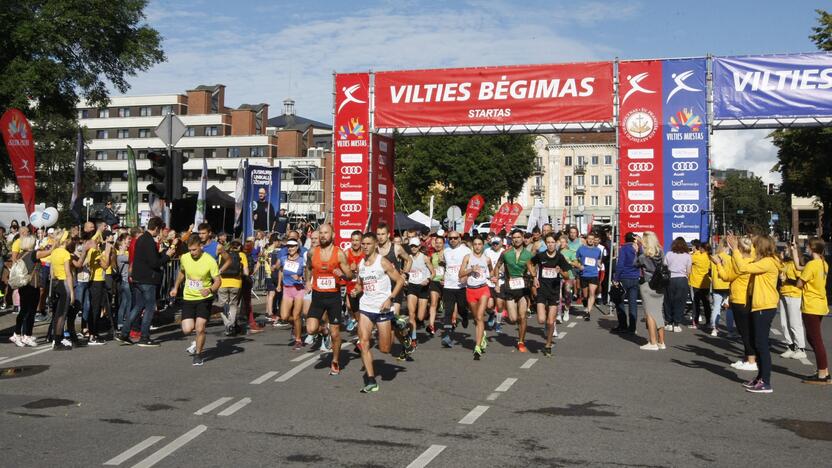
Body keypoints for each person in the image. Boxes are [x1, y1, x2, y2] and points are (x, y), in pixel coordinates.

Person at [352, 232, 406, 393]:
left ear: (375, 245)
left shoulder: (382, 262)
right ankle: (371, 380)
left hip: (382, 308)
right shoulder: (361, 264)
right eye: (363, 244)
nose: (365, 247)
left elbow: (400, 281)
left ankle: (396, 323)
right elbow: (360, 284)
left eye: (368, 244)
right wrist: (356, 290)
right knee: (364, 343)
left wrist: (390, 298)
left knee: (385, 349)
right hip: (366, 307)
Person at [730, 234, 781, 393]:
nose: (753, 247)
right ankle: (760, 378)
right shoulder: (765, 261)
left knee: (761, 344)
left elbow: (742, 268)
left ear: (761, 247)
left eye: (755, 245)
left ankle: (766, 382)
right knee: (757, 342)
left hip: (764, 306)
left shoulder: (767, 262)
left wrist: (736, 250)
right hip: (760, 305)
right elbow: (747, 263)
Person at [117, 217, 175, 347]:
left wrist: (164, 254)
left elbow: (149, 258)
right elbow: (154, 262)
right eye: (160, 230)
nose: (160, 233)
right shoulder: (148, 240)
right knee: (149, 307)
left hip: (138, 277)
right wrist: (167, 256)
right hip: (147, 279)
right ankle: (144, 336)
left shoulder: (140, 239)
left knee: (138, 306)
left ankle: (125, 332)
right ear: (157, 228)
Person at [304, 224, 353, 375]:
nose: (323, 235)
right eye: (321, 233)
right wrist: (307, 281)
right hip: (318, 296)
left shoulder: (339, 254)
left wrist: (342, 275)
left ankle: (335, 361)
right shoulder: (313, 252)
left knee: (336, 334)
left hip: (333, 298)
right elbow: (308, 267)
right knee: (311, 329)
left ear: (333, 235)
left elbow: (350, 276)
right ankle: (323, 331)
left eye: (326, 233)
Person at [170, 236, 221, 366]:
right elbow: (182, 272)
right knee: (187, 329)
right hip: (188, 297)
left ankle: (198, 355)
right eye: (190, 250)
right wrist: (175, 287)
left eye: (194, 250)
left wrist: (209, 290)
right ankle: (198, 339)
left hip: (204, 299)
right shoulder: (185, 258)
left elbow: (218, 281)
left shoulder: (210, 261)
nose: (192, 253)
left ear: (201, 247)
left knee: (200, 328)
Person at [714, 236, 757, 371]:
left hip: (739, 299)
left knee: (744, 331)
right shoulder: (752, 260)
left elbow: (727, 276)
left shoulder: (740, 263)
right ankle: (748, 358)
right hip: (747, 298)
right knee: (747, 330)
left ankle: (751, 360)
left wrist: (718, 264)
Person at [794, 238, 830, 384]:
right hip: (820, 304)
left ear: (811, 248)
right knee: (813, 337)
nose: (806, 248)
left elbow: (799, 284)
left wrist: (792, 279)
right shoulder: (823, 264)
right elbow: (798, 267)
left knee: (816, 339)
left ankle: (822, 373)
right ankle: (824, 370)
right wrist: (793, 251)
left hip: (811, 305)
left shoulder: (811, 264)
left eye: (807, 246)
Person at [531, 233, 573, 356]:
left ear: (556, 244)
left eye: (552, 242)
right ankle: (546, 325)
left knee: (550, 322)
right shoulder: (541, 256)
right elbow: (529, 263)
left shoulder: (560, 257)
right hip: (542, 290)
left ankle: (548, 345)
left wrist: (561, 272)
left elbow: (567, 276)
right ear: (546, 243)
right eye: (548, 242)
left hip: (554, 291)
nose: (550, 244)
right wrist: (534, 277)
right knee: (541, 320)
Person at [494, 229, 534, 351]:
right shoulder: (506, 253)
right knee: (512, 319)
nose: (516, 239)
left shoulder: (528, 255)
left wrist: (533, 277)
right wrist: (496, 281)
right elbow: (497, 267)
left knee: (522, 317)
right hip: (510, 289)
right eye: (514, 237)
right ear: (512, 239)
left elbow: (533, 270)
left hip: (523, 290)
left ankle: (521, 341)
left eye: (518, 237)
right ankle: (511, 318)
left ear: (523, 238)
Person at [460, 236, 493, 359]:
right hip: (470, 291)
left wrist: (493, 278)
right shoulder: (468, 258)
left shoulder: (487, 259)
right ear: (472, 245)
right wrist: (470, 270)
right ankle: (482, 334)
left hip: (483, 289)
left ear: (483, 245)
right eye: (475, 244)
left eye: (480, 244)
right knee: (476, 318)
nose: (478, 246)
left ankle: (477, 347)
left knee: (480, 317)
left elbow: (492, 271)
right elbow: (460, 274)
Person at [439, 230, 471, 349]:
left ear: (459, 238)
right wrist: (442, 277)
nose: (452, 240)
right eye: (450, 238)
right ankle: (447, 336)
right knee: (448, 311)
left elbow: (471, 265)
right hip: (448, 285)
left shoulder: (466, 251)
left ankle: (465, 316)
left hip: (461, 286)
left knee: (462, 308)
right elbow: (443, 266)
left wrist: (466, 276)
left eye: (455, 238)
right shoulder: (446, 252)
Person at [636, 232, 667, 350]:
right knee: (658, 312)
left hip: (648, 284)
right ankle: (661, 342)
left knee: (649, 313)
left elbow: (635, 264)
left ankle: (653, 342)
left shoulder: (643, 255)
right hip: (660, 285)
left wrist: (638, 250)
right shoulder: (661, 252)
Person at [9, 236, 41, 347]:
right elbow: (48, 253)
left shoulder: (21, 254)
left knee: (24, 311)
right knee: (30, 312)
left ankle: (19, 334)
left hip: (25, 285)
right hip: (31, 285)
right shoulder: (33, 254)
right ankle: (24, 335)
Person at [85, 230, 115, 345]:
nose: (99, 242)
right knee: (95, 309)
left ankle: (94, 333)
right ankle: (92, 335)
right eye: (97, 241)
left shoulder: (95, 250)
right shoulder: (94, 251)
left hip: (98, 281)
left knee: (97, 308)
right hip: (96, 282)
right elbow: (105, 265)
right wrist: (107, 252)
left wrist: (99, 230)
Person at [778, 244, 806, 358]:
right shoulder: (784, 263)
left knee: (795, 322)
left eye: (785, 248)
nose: (784, 250)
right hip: (783, 294)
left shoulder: (796, 263)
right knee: (784, 322)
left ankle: (801, 348)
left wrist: (787, 279)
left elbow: (800, 282)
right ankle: (790, 346)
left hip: (794, 295)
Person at [405, 237, 434, 348]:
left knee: (420, 317)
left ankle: (423, 316)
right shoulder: (408, 258)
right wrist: (405, 280)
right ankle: (413, 338)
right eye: (411, 246)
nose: (413, 248)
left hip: (423, 287)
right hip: (412, 286)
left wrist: (428, 280)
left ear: (419, 247)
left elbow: (433, 272)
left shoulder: (425, 258)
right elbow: (406, 271)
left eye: (415, 246)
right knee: (411, 313)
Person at [277, 239, 306, 350]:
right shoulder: (284, 259)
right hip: (287, 289)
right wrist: (279, 284)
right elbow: (280, 270)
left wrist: (299, 278)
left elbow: (307, 276)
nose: (290, 248)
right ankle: (297, 324)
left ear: (297, 247)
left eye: (293, 246)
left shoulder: (302, 260)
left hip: (299, 289)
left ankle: (298, 340)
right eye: (288, 246)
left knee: (296, 315)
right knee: (284, 316)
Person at [376, 223, 411, 315]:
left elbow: (409, 260)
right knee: (381, 319)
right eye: (378, 234)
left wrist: (404, 275)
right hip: (380, 288)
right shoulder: (374, 249)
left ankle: (399, 328)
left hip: (395, 287)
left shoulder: (396, 248)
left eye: (383, 234)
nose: (380, 237)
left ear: (388, 235)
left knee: (394, 318)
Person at [217, 240, 249, 336]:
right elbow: (246, 272)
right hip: (236, 283)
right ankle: (231, 325)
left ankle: (227, 324)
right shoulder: (242, 255)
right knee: (233, 305)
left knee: (222, 306)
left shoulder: (221, 255)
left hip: (222, 283)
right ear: (239, 247)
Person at [49, 232, 75, 350]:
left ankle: (56, 339)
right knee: (62, 315)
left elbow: (52, 272)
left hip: (56, 283)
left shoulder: (54, 252)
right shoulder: (65, 253)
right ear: (65, 241)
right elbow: (68, 274)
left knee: (57, 314)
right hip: (64, 283)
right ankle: (58, 341)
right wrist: (72, 292)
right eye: (68, 238)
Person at [613, 232, 641, 334]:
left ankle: (623, 324)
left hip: (624, 277)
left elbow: (620, 264)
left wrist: (616, 278)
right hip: (635, 277)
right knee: (633, 303)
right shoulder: (638, 248)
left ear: (625, 239)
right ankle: (633, 327)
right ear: (634, 239)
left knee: (619, 301)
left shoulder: (624, 249)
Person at [663, 237, 692, 332]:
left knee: (668, 301)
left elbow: (664, 267)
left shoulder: (669, 254)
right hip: (682, 280)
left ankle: (669, 322)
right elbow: (689, 271)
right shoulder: (687, 256)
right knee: (680, 302)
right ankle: (676, 324)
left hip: (670, 279)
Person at [576, 232, 603, 322]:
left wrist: (599, 265)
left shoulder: (598, 250)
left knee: (592, 293)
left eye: (592, 239)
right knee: (585, 295)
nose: (591, 240)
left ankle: (588, 312)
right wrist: (579, 265)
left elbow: (599, 261)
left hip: (593, 274)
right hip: (584, 274)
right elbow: (576, 259)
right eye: (589, 238)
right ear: (587, 239)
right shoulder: (581, 249)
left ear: (594, 240)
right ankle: (585, 301)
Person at [709, 240, 733, 337]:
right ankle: (730, 331)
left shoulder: (713, 258)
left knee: (716, 307)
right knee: (729, 308)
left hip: (716, 286)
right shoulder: (730, 258)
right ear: (727, 247)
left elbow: (710, 272)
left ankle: (714, 328)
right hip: (727, 285)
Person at [343, 231, 365, 333]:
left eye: (357, 240)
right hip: (350, 285)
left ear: (361, 241)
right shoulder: (346, 253)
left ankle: (362, 331)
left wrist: (360, 269)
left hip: (363, 285)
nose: (355, 243)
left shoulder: (365, 253)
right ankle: (354, 320)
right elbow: (341, 268)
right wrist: (349, 269)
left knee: (362, 309)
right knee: (350, 307)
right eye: (353, 240)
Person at [689, 240, 712, 328]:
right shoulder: (710, 257)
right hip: (706, 283)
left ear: (701, 248)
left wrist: (695, 252)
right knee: (706, 303)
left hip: (696, 283)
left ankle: (695, 322)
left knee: (696, 303)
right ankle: (708, 322)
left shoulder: (697, 256)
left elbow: (689, 259)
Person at [485, 236, 505, 333]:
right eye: (494, 243)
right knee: (488, 306)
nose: (495, 245)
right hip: (489, 282)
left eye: (497, 243)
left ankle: (498, 323)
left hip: (501, 282)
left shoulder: (504, 252)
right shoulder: (487, 251)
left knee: (500, 304)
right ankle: (492, 314)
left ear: (501, 243)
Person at [427, 235, 445, 335]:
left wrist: (444, 263)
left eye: (440, 243)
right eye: (436, 242)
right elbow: (430, 268)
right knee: (433, 303)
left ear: (443, 244)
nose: (438, 244)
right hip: (435, 281)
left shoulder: (447, 254)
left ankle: (451, 322)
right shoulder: (432, 255)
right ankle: (431, 325)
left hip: (446, 282)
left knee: (449, 305)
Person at [557, 235, 576, 323]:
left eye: (563, 242)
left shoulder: (570, 252)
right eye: (560, 242)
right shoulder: (555, 252)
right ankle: (559, 314)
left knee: (567, 294)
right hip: (558, 276)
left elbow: (576, 263)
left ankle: (566, 310)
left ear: (566, 243)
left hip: (569, 276)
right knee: (559, 296)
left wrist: (569, 261)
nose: (561, 243)